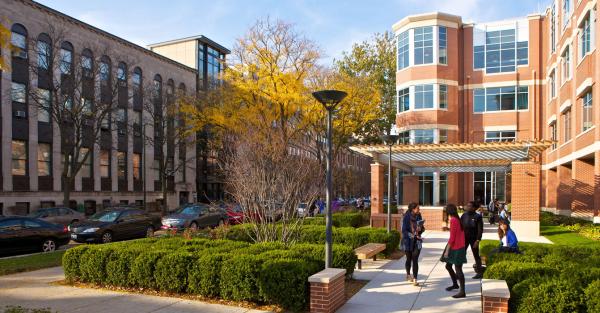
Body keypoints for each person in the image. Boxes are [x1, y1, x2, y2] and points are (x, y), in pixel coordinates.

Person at [444, 204, 467, 298]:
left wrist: (447, 251)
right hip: (458, 246)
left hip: (457, 247)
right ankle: (455, 284)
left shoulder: (453, 220)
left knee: (458, 269)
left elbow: (452, 237)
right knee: (448, 266)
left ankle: (462, 291)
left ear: (448, 211)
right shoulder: (457, 219)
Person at [402, 202, 424, 286]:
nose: (419, 210)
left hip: (417, 241)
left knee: (415, 259)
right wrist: (413, 235)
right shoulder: (406, 217)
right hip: (408, 241)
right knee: (409, 259)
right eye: (417, 208)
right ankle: (408, 275)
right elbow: (404, 230)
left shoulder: (419, 216)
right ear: (413, 209)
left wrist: (420, 228)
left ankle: (415, 278)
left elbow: (422, 228)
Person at [461, 201, 484, 279]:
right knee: (461, 255)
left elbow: (480, 230)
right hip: (464, 239)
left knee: (476, 255)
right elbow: (461, 227)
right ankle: (459, 272)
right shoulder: (464, 215)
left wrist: (478, 240)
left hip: (474, 239)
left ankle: (479, 272)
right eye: (467, 205)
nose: (468, 207)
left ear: (474, 208)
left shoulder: (478, 216)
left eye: (470, 206)